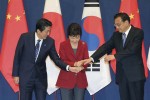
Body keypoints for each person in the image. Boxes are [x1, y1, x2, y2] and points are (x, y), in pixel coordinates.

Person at [12, 18, 82, 100]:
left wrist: (69, 68)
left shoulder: (50, 42)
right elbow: (17, 56)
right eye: (47, 31)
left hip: (40, 79)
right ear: (38, 31)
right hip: (26, 77)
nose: (48, 33)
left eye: (49, 31)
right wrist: (15, 74)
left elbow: (56, 59)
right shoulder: (25, 37)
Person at [84, 13, 146, 100]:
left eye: (118, 24)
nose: (116, 27)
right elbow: (105, 47)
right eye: (115, 25)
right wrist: (91, 58)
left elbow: (132, 50)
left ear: (126, 22)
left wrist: (114, 56)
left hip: (135, 75)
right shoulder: (116, 35)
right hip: (122, 76)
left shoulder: (138, 32)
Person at [56, 23, 89, 100]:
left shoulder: (84, 45)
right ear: (69, 36)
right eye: (72, 37)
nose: (75, 40)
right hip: (66, 78)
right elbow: (62, 60)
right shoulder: (63, 45)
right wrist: (74, 64)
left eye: (77, 37)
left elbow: (86, 60)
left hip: (80, 79)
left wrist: (81, 67)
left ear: (80, 35)